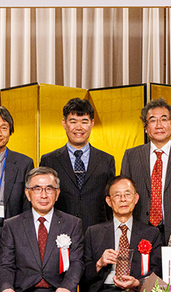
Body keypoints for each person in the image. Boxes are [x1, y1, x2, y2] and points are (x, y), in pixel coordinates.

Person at [120, 98, 171, 242]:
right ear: (145, 127)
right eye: (152, 120)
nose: (159, 125)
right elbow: (123, 196)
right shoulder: (131, 156)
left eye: (164, 119)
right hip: (140, 230)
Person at [40, 97, 116, 232]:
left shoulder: (106, 160)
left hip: (98, 232)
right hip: (59, 231)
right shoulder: (49, 160)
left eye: (84, 122)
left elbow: (111, 203)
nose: (79, 127)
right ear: (64, 123)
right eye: (73, 121)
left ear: (92, 123)